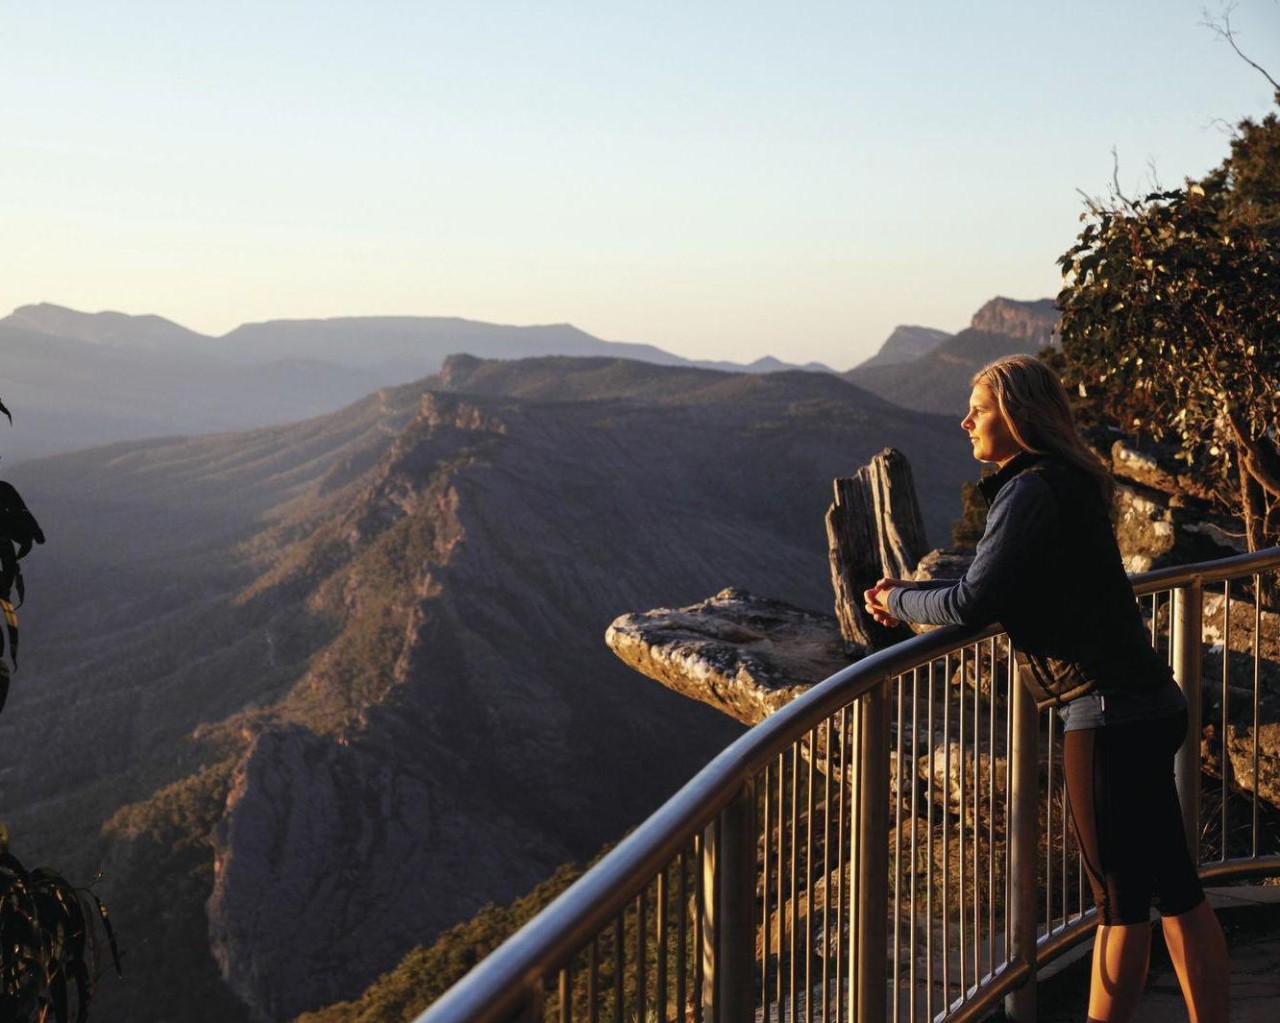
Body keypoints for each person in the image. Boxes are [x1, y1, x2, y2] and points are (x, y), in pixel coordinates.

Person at [863, 354, 1228, 1023]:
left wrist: (900, 599)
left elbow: (975, 599)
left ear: (1016, 414)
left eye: (979, 408)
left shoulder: (1029, 489)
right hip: (1150, 700)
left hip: (1106, 714)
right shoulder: (1068, 481)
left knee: (1120, 907)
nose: (964, 420)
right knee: (1177, 890)